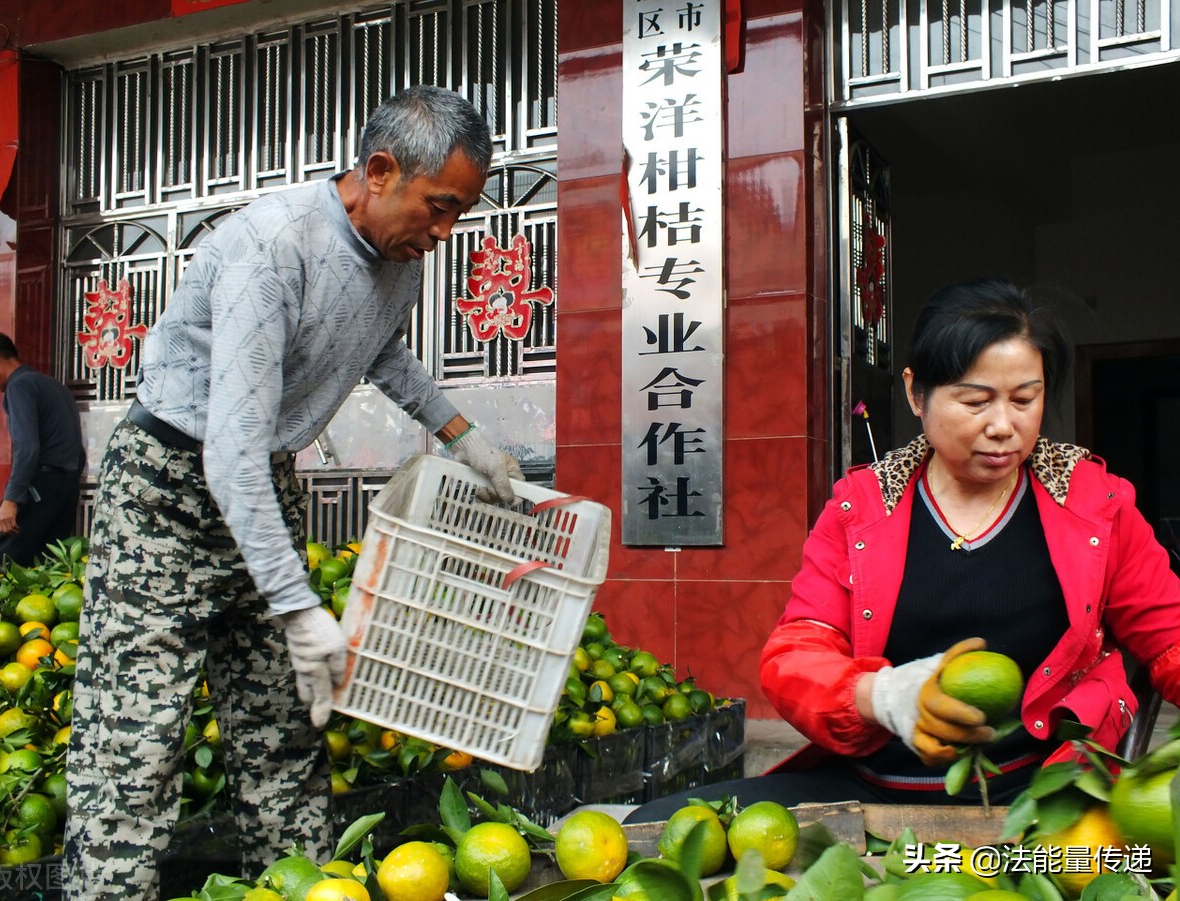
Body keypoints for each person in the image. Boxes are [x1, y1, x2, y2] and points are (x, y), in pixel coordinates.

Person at [63, 85, 525, 900]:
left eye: (460, 211)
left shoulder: (400, 259)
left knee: (284, 728)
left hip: (263, 481)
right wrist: (297, 605)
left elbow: (380, 349)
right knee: (135, 744)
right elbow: (230, 453)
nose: (445, 232)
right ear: (379, 171)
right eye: (440, 206)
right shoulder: (272, 248)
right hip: (167, 490)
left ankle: (300, 887)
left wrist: (464, 436)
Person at [626, 277, 1180, 823]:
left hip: (1039, 797)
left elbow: (1169, 639)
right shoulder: (860, 509)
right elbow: (794, 655)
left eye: (1024, 399)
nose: (1003, 426)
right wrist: (882, 695)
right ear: (917, 393)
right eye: (975, 401)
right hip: (870, 789)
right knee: (654, 824)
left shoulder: (1095, 505)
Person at [0, 332, 85, 568]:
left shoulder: (19, 385)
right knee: (46, 569)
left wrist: (12, 499)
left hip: (38, 487)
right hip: (66, 490)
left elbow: (26, 447)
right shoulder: (55, 386)